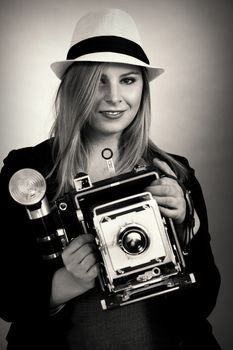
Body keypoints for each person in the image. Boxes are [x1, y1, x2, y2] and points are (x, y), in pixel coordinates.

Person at [0, 8, 221, 350]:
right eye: (99, 80)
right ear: (76, 87)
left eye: (128, 80)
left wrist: (184, 228)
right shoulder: (29, 172)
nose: (115, 97)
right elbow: (7, 298)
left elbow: (203, 302)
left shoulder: (174, 172)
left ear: (142, 89)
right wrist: (67, 281)